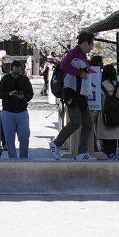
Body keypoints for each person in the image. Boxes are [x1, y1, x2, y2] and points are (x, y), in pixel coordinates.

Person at [50, 30, 95, 160]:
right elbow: (64, 66)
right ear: (85, 43)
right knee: (76, 121)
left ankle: (82, 152)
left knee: (88, 123)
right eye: (91, 44)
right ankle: (56, 143)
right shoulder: (74, 53)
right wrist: (80, 73)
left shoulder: (81, 55)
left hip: (81, 94)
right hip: (72, 93)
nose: (92, 47)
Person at [0, 58, 34, 159]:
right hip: (8, 111)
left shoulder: (24, 79)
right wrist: (9, 94)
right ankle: (12, 159)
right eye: (14, 73)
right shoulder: (5, 79)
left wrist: (24, 97)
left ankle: (23, 158)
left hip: (22, 111)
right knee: (9, 138)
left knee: (24, 137)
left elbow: (30, 94)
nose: (16, 75)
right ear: (11, 70)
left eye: (18, 73)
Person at [97, 64, 119, 158]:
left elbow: (98, 104)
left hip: (104, 116)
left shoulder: (100, 86)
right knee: (114, 137)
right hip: (117, 115)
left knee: (106, 138)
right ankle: (113, 153)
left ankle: (107, 153)